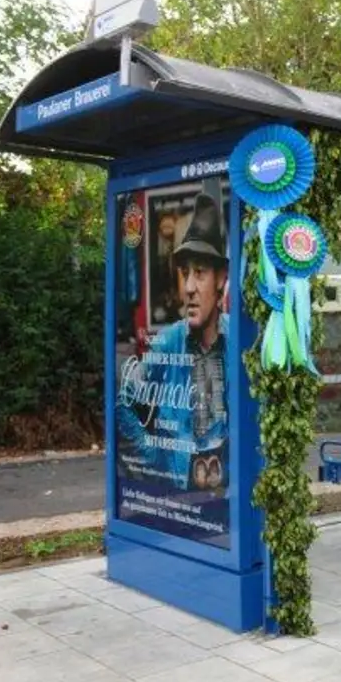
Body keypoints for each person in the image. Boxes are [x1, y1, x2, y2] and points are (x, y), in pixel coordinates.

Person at [115, 176, 230, 494]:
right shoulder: (169, 340)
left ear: (221, 278)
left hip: (225, 486)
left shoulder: (236, 341)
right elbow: (125, 402)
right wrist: (153, 456)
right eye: (184, 274)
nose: (189, 288)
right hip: (180, 486)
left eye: (200, 273)